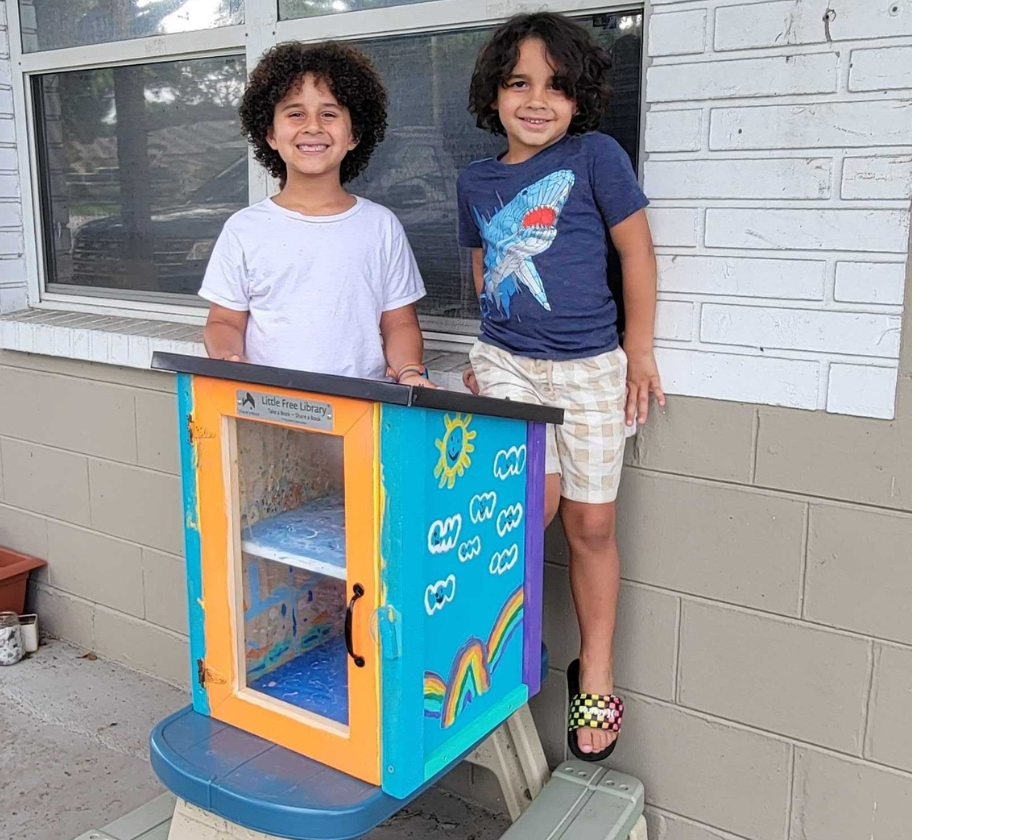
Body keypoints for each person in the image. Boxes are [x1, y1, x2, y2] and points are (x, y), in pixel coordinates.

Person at [457, 13, 665, 761]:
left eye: (556, 86)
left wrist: (638, 352)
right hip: (509, 362)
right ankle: (487, 646)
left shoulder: (595, 157)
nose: (537, 100)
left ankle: (596, 669)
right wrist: (491, 345)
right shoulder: (475, 179)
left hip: (592, 369)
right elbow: (485, 263)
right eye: (519, 83)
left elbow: (635, 252)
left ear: (580, 99)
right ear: (495, 94)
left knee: (591, 526)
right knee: (528, 506)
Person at [200, 41, 434, 388]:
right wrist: (231, 361)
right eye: (295, 113)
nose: (312, 127)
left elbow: (399, 323)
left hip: (360, 410)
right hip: (267, 407)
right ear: (270, 134)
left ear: (354, 134)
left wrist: (410, 371)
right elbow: (224, 323)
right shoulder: (243, 229)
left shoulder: (381, 226)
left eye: (329, 113)